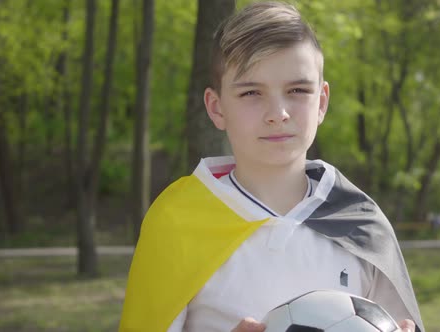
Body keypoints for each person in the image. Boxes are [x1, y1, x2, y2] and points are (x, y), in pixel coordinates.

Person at [118, 2, 424, 332]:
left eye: (297, 90)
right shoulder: (176, 220)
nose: (278, 113)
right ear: (217, 108)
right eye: (251, 92)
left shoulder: (362, 222)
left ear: (321, 102)